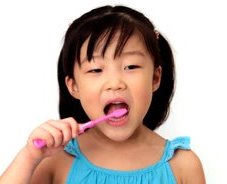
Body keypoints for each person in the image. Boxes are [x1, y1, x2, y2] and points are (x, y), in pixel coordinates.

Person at [0, 5, 205, 184]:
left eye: (131, 66)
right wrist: (28, 158)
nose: (115, 83)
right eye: (96, 70)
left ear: (155, 78)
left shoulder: (183, 166)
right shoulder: (55, 160)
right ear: (73, 86)